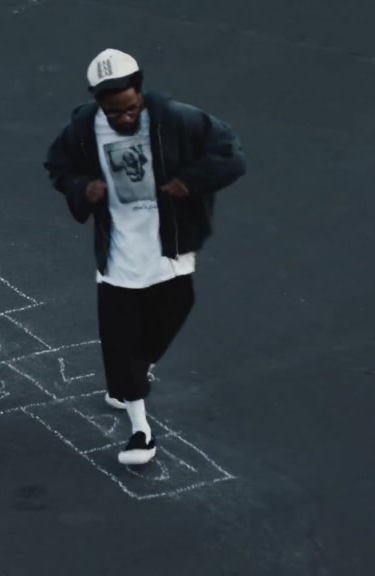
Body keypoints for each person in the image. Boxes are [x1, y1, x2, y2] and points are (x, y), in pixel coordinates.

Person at [43, 48, 246, 465]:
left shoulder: (176, 118)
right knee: (119, 338)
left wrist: (190, 181)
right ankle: (140, 432)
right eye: (113, 112)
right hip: (118, 250)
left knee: (176, 307)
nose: (123, 118)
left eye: (130, 109)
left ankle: (137, 367)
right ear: (98, 102)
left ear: (140, 91)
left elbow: (230, 154)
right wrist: (82, 188)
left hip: (167, 241)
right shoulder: (82, 129)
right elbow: (58, 167)